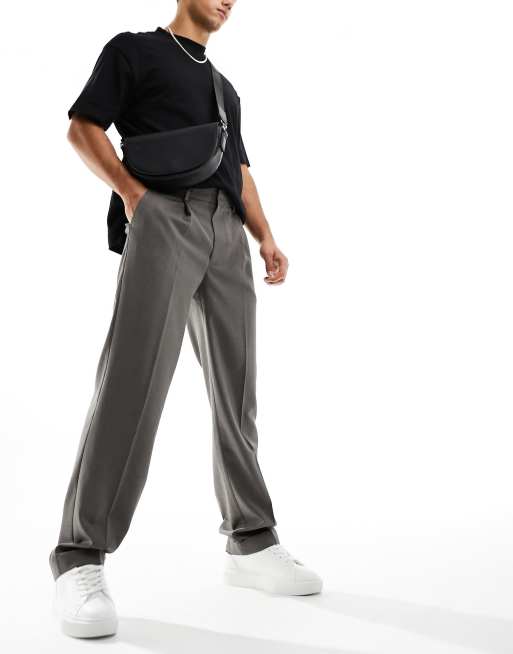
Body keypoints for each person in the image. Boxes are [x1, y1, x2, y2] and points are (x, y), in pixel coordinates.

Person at [49, 0, 322, 639]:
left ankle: (251, 540)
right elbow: (83, 127)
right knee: (133, 382)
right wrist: (134, 196)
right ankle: (78, 556)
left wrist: (265, 236)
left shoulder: (225, 88)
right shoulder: (134, 50)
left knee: (237, 389)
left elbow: (240, 170)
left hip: (226, 231)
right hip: (165, 217)